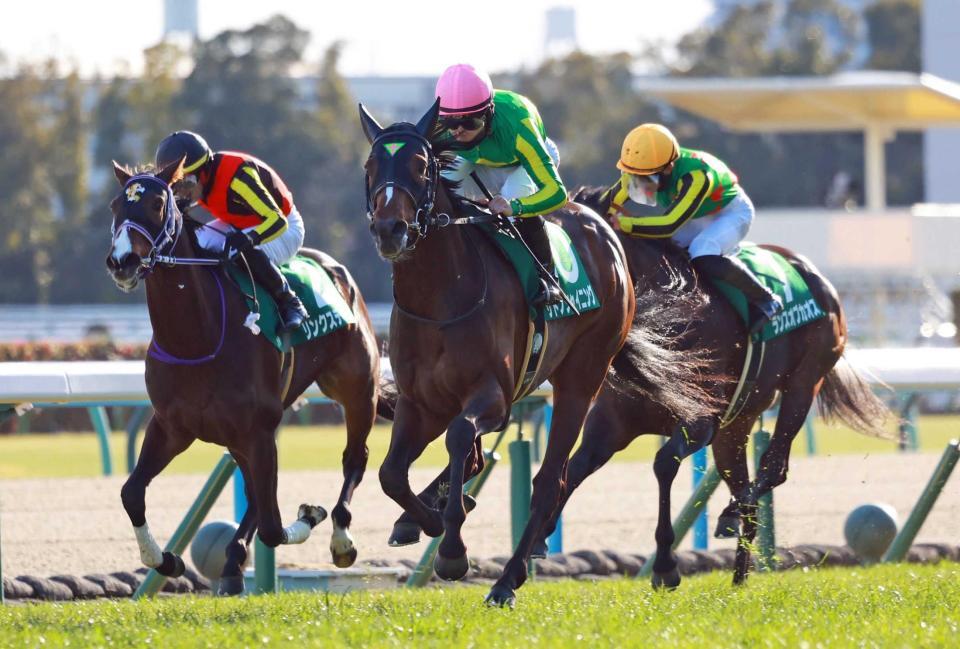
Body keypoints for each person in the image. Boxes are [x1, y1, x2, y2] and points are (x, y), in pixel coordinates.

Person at [604, 123, 783, 335]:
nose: (640, 184)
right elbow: (609, 200)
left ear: (669, 167)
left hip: (730, 212)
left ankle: (765, 298)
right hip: (697, 214)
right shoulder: (642, 167)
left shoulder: (695, 177)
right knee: (659, 249)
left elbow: (669, 225)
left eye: (647, 178)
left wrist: (626, 224)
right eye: (634, 175)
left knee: (701, 251)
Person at [435, 64, 567, 307]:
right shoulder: (439, 125)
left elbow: (557, 193)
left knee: (509, 196)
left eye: (470, 122)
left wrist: (514, 207)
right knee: (440, 188)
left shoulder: (518, 126)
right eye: (451, 123)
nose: (459, 131)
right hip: (478, 158)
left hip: (524, 162)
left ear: (489, 112)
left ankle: (548, 278)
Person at [154, 131, 308, 333]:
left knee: (240, 251)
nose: (180, 192)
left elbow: (277, 220)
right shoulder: (200, 181)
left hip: (285, 227)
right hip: (241, 222)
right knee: (196, 242)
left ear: (203, 172)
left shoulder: (238, 178)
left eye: (184, 184)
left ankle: (291, 303)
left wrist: (248, 239)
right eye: (175, 186)